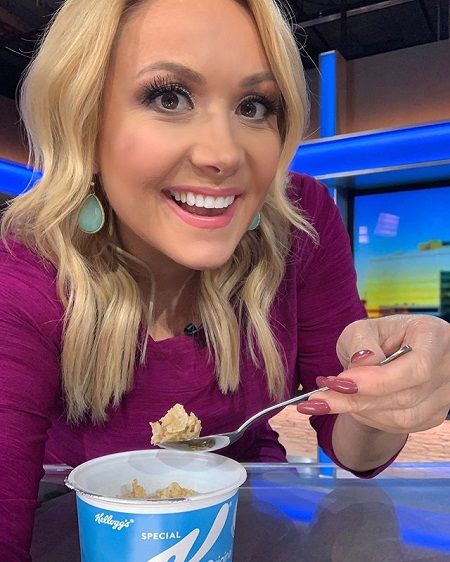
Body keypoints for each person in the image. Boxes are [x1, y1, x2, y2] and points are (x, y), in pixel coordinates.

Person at [0, 0, 449, 559]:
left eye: (254, 105)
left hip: (250, 532)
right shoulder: (24, 268)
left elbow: (354, 449)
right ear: (85, 120)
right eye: (169, 97)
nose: (224, 154)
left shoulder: (299, 226)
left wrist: (388, 396)